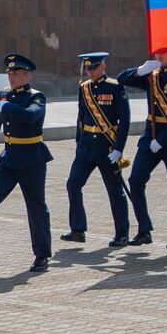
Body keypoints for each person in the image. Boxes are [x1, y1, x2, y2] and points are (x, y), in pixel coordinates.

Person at [0, 52, 53, 271]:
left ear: (27, 75)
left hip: (32, 159)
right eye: (10, 73)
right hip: (9, 156)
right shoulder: (4, 94)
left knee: (36, 207)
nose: (12, 77)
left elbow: (30, 116)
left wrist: (5, 108)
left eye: (16, 73)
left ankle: (42, 255)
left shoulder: (37, 96)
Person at [117, 46, 167, 244]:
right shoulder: (151, 76)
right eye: (158, 52)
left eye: (164, 52)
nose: (160, 56)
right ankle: (144, 229)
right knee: (136, 180)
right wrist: (140, 70)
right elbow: (122, 79)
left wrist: (162, 140)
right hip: (150, 136)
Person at [62, 52, 130, 246]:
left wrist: (119, 148)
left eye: (94, 67)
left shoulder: (116, 87)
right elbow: (81, 117)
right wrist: (78, 142)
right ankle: (78, 229)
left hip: (106, 146)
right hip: (86, 146)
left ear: (103, 66)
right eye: (88, 68)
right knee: (73, 184)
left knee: (114, 190)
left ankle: (122, 234)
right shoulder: (84, 88)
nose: (90, 72)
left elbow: (124, 120)